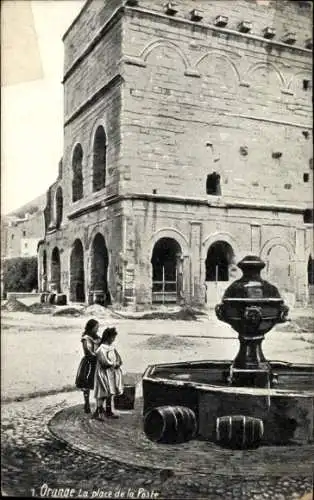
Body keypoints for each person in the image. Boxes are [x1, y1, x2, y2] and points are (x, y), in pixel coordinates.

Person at [92, 327, 123, 420]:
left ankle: (109, 411)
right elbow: (104, 362)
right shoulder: (101, 349)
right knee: (103, 393)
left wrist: (118, 362)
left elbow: (118, 358)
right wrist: (114, 364)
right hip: (103, 374)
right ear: (108, 337)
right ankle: (99, 412)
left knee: (110, 393)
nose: (114, 339)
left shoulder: (112, 348)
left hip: (112, 373)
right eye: (113, 337)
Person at [75, 319, 101, 414]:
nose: (97, 329)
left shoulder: (98, 337)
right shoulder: (86, 338)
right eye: (96, 328)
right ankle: (86, 404)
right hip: (89, 362)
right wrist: (96, 355)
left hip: (98, 362)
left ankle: (99, 406)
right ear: (91, 327)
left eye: (97, 328)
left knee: (99, 383)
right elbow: (87, 350)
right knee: (86, 383)